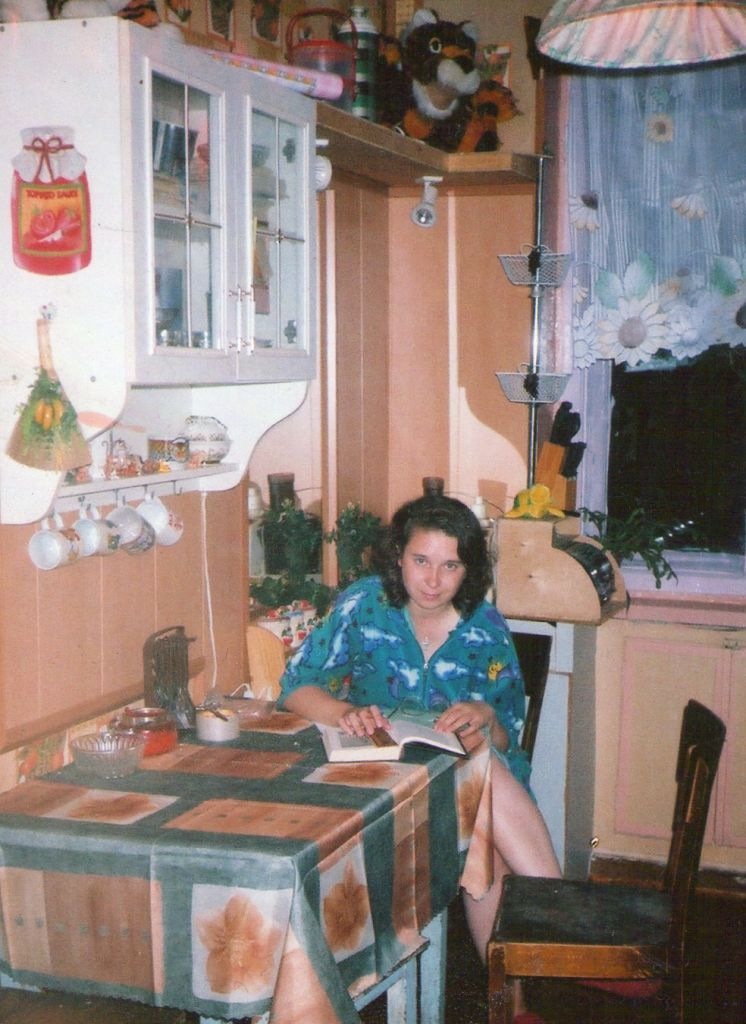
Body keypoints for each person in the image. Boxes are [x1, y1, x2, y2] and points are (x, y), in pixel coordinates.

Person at [278, 494, 560, 1022]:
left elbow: (507, 735)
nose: (433, 581)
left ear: (468, 569)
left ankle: (520, 997)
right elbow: (295, 686)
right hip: (381, 778)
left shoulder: (485, 627)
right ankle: (562, 923)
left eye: (450, 565)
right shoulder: (363, 605)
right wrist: (344, 712)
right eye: (421, 561)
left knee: (482, 793)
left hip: (467, 785)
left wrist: (484, 715)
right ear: (398, 557)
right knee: (483, 820)